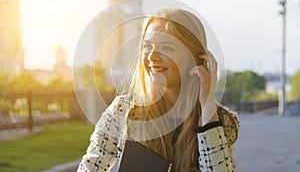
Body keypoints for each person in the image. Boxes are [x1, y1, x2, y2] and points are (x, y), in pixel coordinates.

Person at [77, 9, 239, 172]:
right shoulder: (122, 110)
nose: (152, 57)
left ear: (194, 58)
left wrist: (207, 106)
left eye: (167, 48)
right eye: (147, 46)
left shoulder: (223, 120)